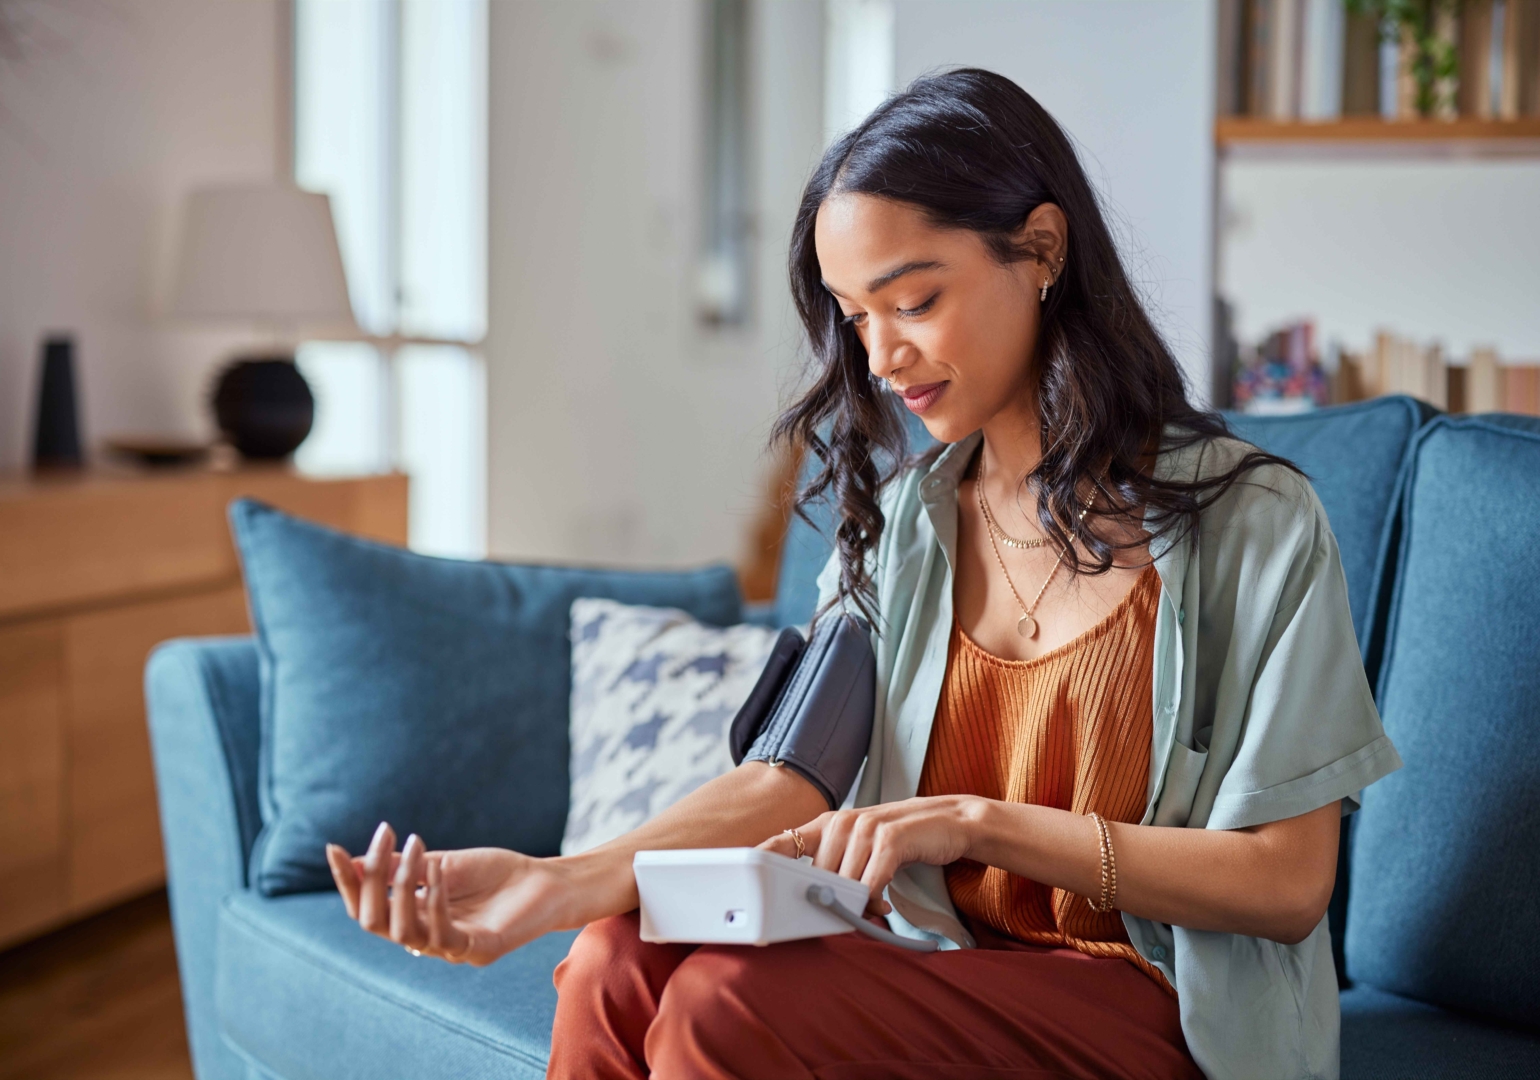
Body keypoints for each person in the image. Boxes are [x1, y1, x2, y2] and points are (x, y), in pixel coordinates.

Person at [326, 69, 1399, 1079]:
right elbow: (790, 778)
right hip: (946, 965)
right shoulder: (905, 522)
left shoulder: (1254, 521)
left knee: (722, 1004)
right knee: (614, 957)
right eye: (853, 316)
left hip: (1158, 1001)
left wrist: (972, 822)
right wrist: (554, 887)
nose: (879, 356)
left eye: (913, 300)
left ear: (1039, 249)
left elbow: (1286, 884)